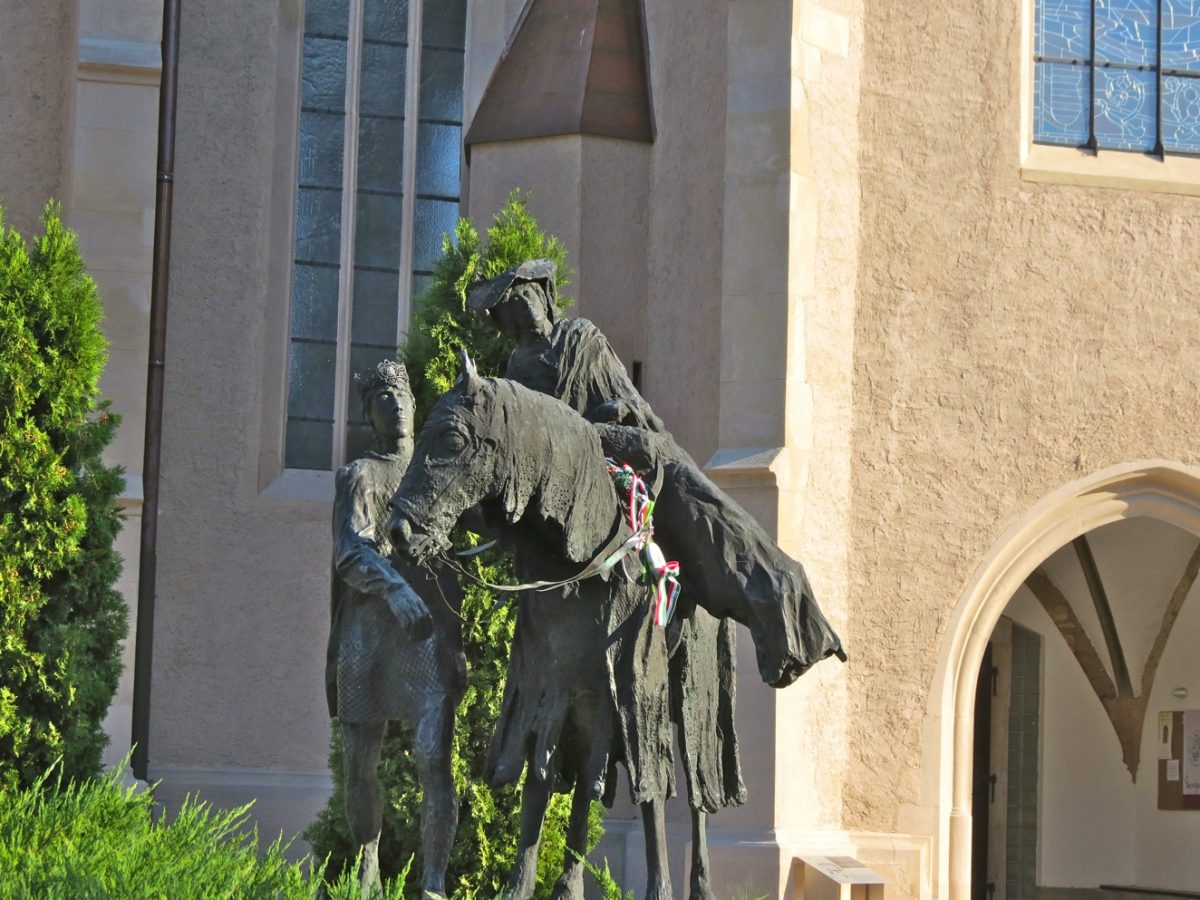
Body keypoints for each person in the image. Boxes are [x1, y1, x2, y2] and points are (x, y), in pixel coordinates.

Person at [327, 359, 465, 899]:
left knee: (435, 759)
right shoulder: (359, 475)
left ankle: (433, 883)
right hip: (367, 636)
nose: (395, 405)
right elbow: (350, 549)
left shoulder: (435, 468)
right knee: (360, 766)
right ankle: (367, 858)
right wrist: (394, 587)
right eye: (382, 399)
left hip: (426, 636)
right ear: (370, 414)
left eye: (401, 396)